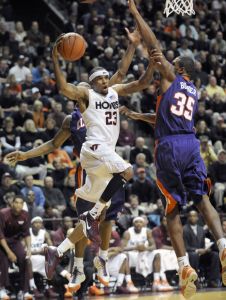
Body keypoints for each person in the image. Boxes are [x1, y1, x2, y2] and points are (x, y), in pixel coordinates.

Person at [6, 28, 148, 292]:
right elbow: (52, 144)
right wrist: (26, 154)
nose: (84, 89)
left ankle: (93, 262)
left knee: (106, 219)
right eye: (81, 87)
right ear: (78, 95)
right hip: (89, 168)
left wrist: (132, 47)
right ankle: (79, 267)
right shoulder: (72, 118)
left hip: (109, 166)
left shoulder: (105, 98)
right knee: (88, 220)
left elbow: (122, 74)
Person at [128, 0, 226, 298]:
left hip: (169, 147)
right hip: (190, 143)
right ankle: (223, 246)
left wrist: (135, 13)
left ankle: (184, 266)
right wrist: (138, 117)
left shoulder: (171, 75)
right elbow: (162, 117)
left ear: (179, 67)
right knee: (202, 198)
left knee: (171, 207)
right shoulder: (193, 90)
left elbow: (153, 43)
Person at [0, 195, 32, 299]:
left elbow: (27, 234)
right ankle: (2, 289)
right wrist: (9, 253)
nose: (18, 205)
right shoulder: (3, 214)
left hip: (15, 241)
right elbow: (0, 235)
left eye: (20, 203)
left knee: (24, 258)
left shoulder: (25, 215)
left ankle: (24, 290)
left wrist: (29, 249)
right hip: (2, 241)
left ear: (23, 205)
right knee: (3, 260)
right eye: (16, 202)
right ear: (12, 203)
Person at [183, 210, 220, 288]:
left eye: (194, 216)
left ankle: (212, 280)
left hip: (201, 254)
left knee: (215, 255)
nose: (193, 217)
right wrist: (197, 250)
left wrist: (206, 250)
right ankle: (194, 281)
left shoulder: (201, 229)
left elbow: (203, 245)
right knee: (194, 255)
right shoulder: (184, 229)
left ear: (197, 218)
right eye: (191, 216)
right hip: (190, 254)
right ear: (188, 218)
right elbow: (185, 246)